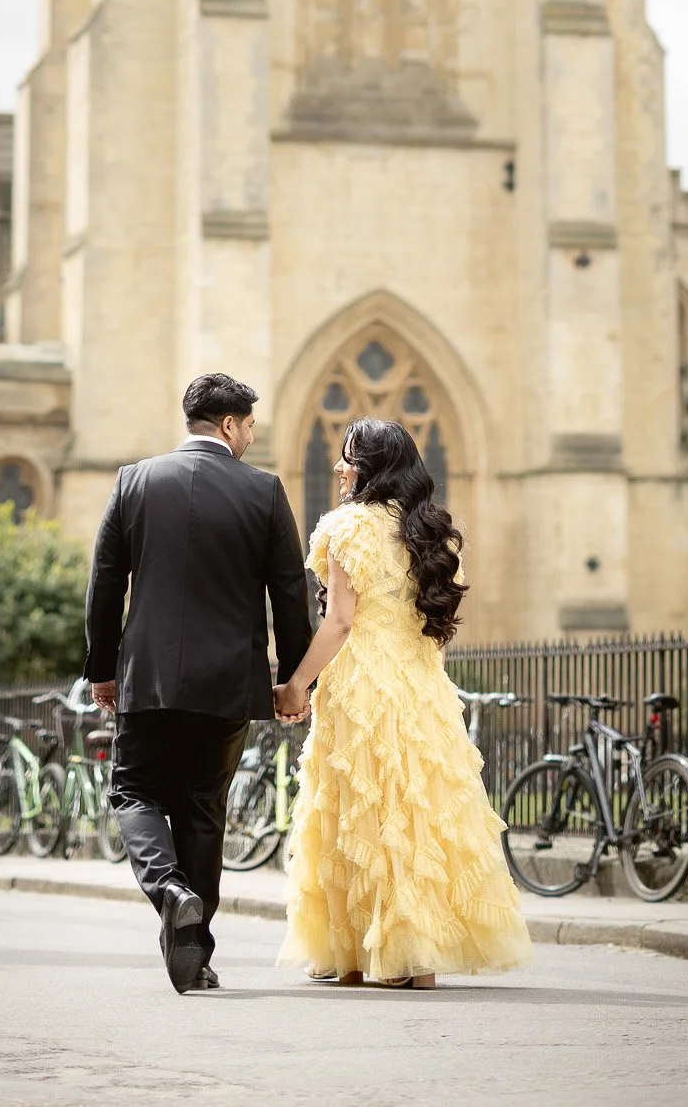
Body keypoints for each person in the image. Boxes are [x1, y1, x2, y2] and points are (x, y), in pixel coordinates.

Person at [272, 415, 532, 989]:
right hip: (421, 682)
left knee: (360, 809)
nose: (338, 466)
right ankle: (415, 956)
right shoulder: (430, 532)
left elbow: (339, 622)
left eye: (348, 457)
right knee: (417, 808)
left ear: (371, 467)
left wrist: (295, 685)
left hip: (361, 679)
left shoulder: (346, 528)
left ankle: (363, 952)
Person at [86, 368, 310, 993]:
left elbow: (106, 583)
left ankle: (169, 889)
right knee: (203, 813)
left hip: (149, 678)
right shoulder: (263, 492)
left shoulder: (135, 481)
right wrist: (294, 681)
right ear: (231, 424)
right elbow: (290, 595)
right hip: (227, 683)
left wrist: (102, 669)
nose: (250, 442)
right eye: (249, 430)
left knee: (134, 792)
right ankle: (197, 954)